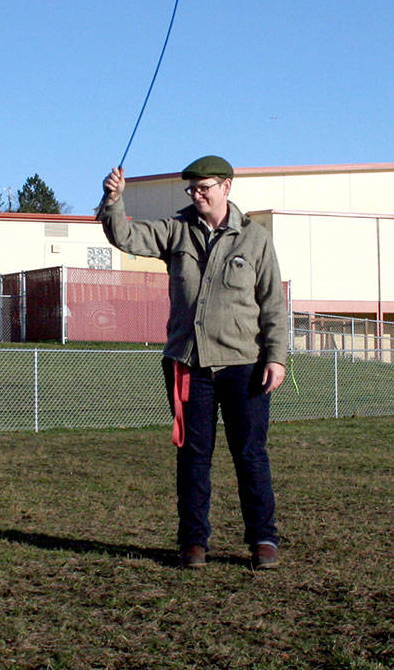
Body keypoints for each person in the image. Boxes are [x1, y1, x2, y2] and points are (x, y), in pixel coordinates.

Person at [98, 155, 288, 570]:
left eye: (204, 188)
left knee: (250, 454)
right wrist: (113, 200)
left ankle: (263, 540)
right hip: (188, 364)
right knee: (193, 456)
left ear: (227, 187)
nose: (197, 195)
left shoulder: (255, 239)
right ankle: (193, 543)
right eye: (192, 189)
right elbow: (126, 237)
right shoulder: (176, 230)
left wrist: (276, 357)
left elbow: (274, 303)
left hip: (245, 365)